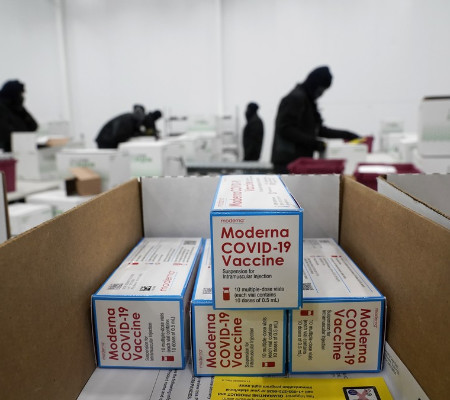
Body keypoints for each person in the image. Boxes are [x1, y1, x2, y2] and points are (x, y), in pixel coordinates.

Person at [271, 66, 360, 173]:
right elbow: (285, 128)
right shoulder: (295, 98)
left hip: (299, 162)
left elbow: (318, 130)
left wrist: (347, 135)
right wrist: (314, 143)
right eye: (321, 89)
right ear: (314, 84)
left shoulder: (308, 101)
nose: (321, 93)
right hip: (287, 163)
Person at [0, 80, 38, 152]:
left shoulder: (17, 108)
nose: (22, 97)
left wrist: (22, 109)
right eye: (20, 94)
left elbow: (33, 126)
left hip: (23, 149)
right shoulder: (2, 109)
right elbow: (6, 135)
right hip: (7, 153)